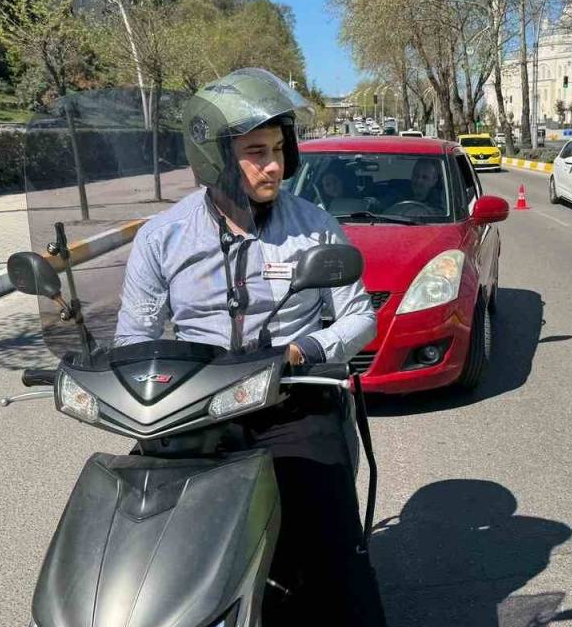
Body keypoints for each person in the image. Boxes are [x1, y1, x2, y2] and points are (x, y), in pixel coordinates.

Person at [113, 68, 387, 626]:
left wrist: (304, 351)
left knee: (332, 543)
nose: (274, 166)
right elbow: (133, 338)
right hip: (195, 407)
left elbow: (359, 317)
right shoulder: (162, 238)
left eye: (281, 150)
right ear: (213, 157)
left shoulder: (315, 227)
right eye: (256, 152)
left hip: (293, 399)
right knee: (147, 532)